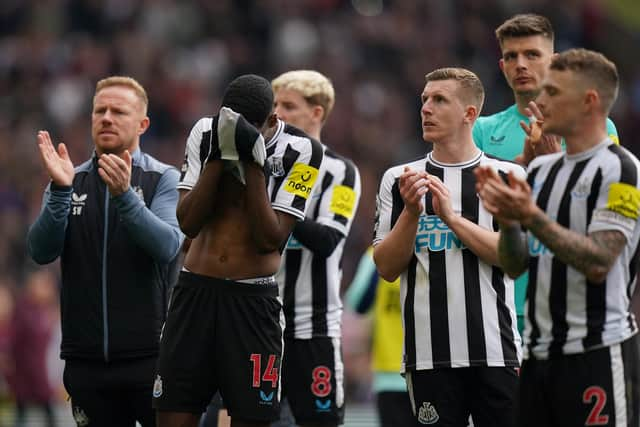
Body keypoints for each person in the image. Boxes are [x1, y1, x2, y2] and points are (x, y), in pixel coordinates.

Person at [475, 48, 640, 427]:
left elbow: (600, 260)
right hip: (536, 355)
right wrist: (510, 222)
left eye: (553, 93)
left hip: (597, 351)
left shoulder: (622, 170)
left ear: (589, 101)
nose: (540, 101)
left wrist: (530, 215)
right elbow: (515, 266)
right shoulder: (541, 171)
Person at [152, 74, 324, 427]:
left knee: (252, 417)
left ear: (273, 121)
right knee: (172, 414)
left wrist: (253, 163)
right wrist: (220, 155)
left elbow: (270, 238)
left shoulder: (303, 151)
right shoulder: (205, 132)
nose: (233, 130)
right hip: (194, 294)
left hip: (252, 305)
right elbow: (188, 222)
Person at [26, 76, 183, 427]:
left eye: (118, 111)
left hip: (151, 360)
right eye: (100, 111)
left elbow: (168, 246)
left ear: (143, 123)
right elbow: (40, 250)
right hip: (86, 364)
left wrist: (126, 197)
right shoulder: (69, 179)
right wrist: (60, 191)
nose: (107, 118)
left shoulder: (163, 179)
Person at [373, 67, 523, 426]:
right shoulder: (399, 180)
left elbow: (514, 259)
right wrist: (411, 213)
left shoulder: (507, 177)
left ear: (469, 114)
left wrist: (453, 220)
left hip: (496, 353)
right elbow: (387, 268)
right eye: (424, 99)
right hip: (429, 358)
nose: (426, 108)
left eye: (439, 100)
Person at [472, 13, 620, 336]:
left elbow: (599, 210)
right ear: (502, 67)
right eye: (511, 56)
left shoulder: (597, 127)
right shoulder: (482, 130)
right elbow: (475, 209)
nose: (520, 65)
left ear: (553, 62)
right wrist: (524, 162)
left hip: (573, 307)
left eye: (532, 55)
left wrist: (553, 164)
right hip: (501, 309)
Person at [270, 69, 361, 427]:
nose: (278, 113)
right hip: (261, 324)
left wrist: (279, 210)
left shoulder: (340, 172)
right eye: (275, 104)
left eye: (288, 105)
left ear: (317, 112)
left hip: (315, 328)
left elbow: (327, 240)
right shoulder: (262, 166)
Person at [344, 247, 414, 427]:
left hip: (391, 372)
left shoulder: (378, 252)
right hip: (435, 370)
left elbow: (358, 303)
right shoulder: (443, 245)